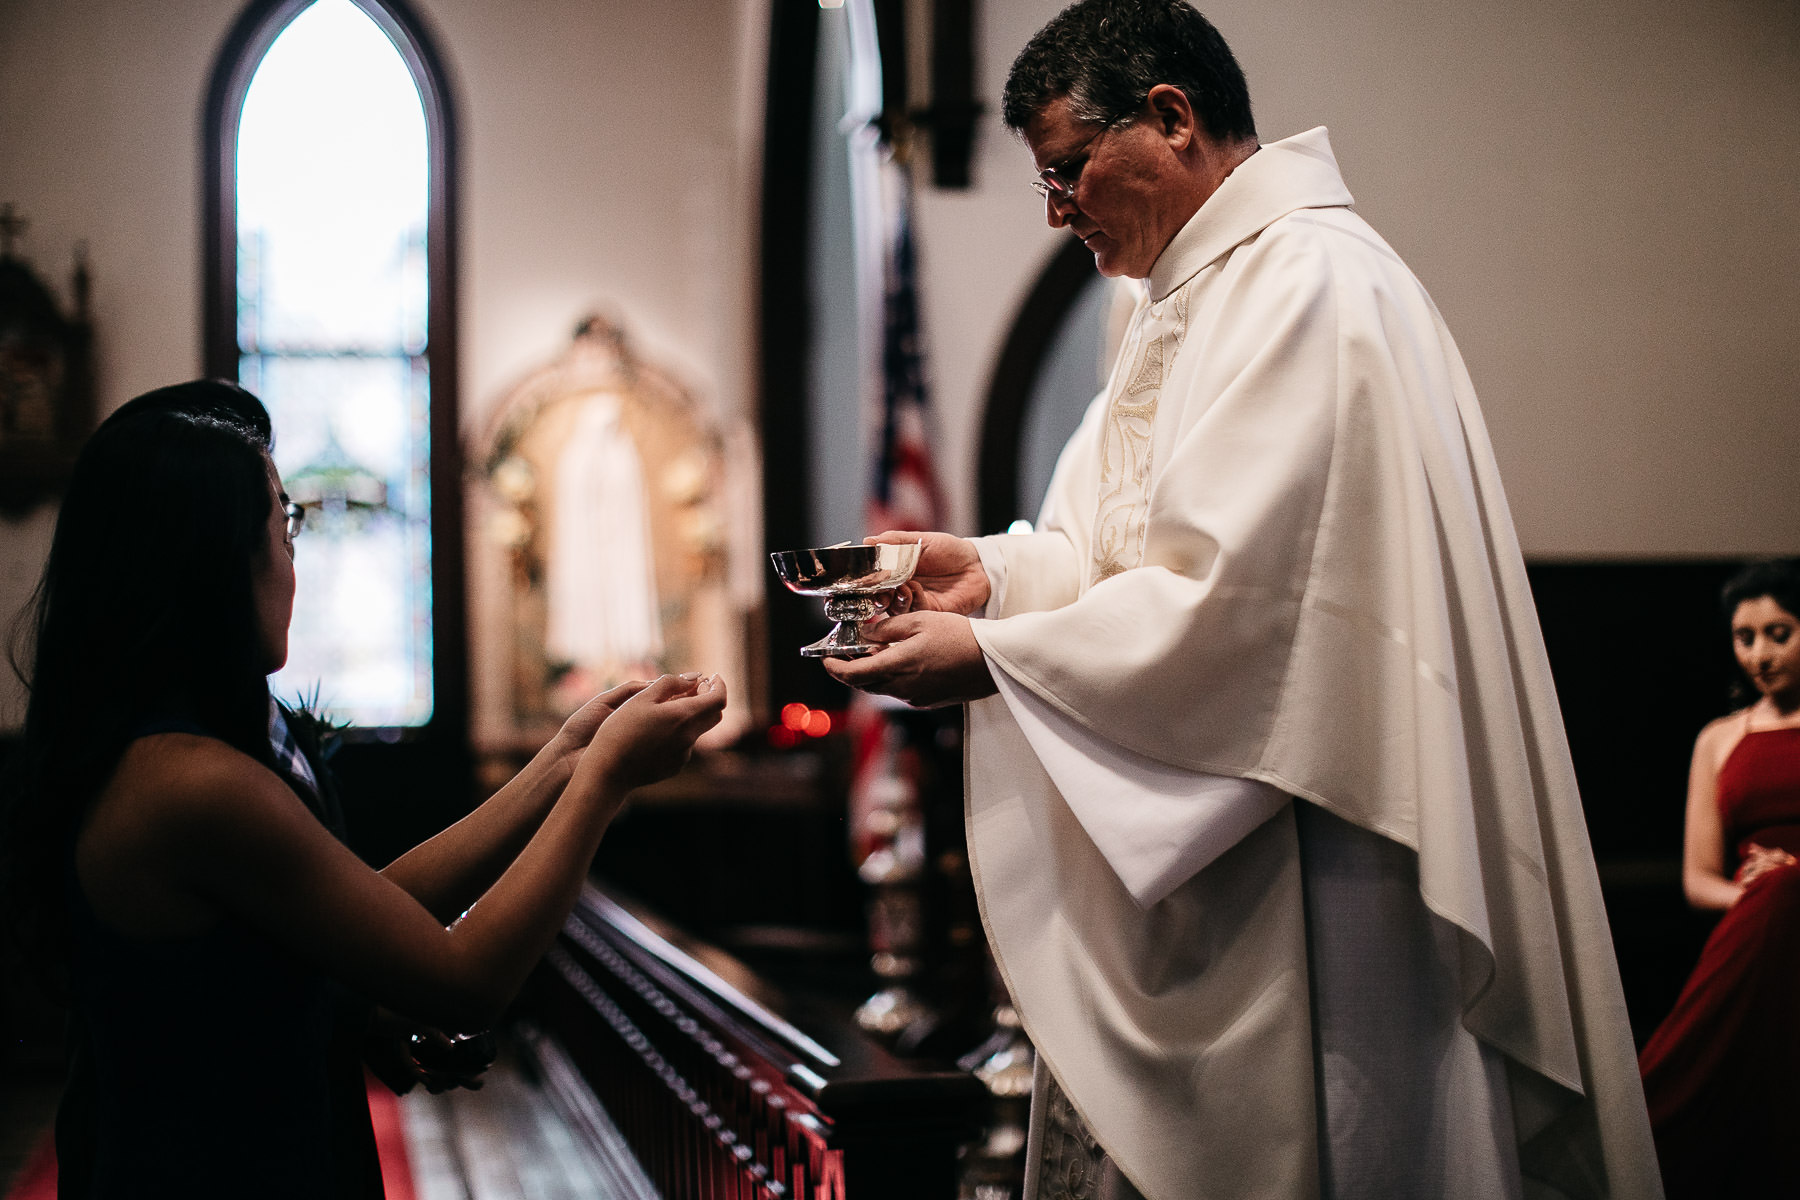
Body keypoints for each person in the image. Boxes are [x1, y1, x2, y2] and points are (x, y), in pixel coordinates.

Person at [826, 2, 1659, 1197]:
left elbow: (1247, 614)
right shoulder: (1181, 300)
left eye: (1067, 170)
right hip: (1233, 863)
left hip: (1325, 867)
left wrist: (997, 656)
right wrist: (998, 575)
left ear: (1171, 120)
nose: (1056, 209)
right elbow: (1124, 553)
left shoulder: (1311, 286)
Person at [0, 380, 727, 1197]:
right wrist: (606, 779)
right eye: (285, 526)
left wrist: (563, 756)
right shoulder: (189, 783)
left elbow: (360, 906)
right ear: (216, 562)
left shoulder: (177, 741)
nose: (292, 555)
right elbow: (462, 977)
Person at [1637, 559, 1800, 1197]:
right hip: (1759, 929)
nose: (1759, 654)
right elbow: (1697, 879)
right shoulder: (1719, 738)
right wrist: (1763, 892)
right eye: (1745, 637)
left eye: (1779, 634)